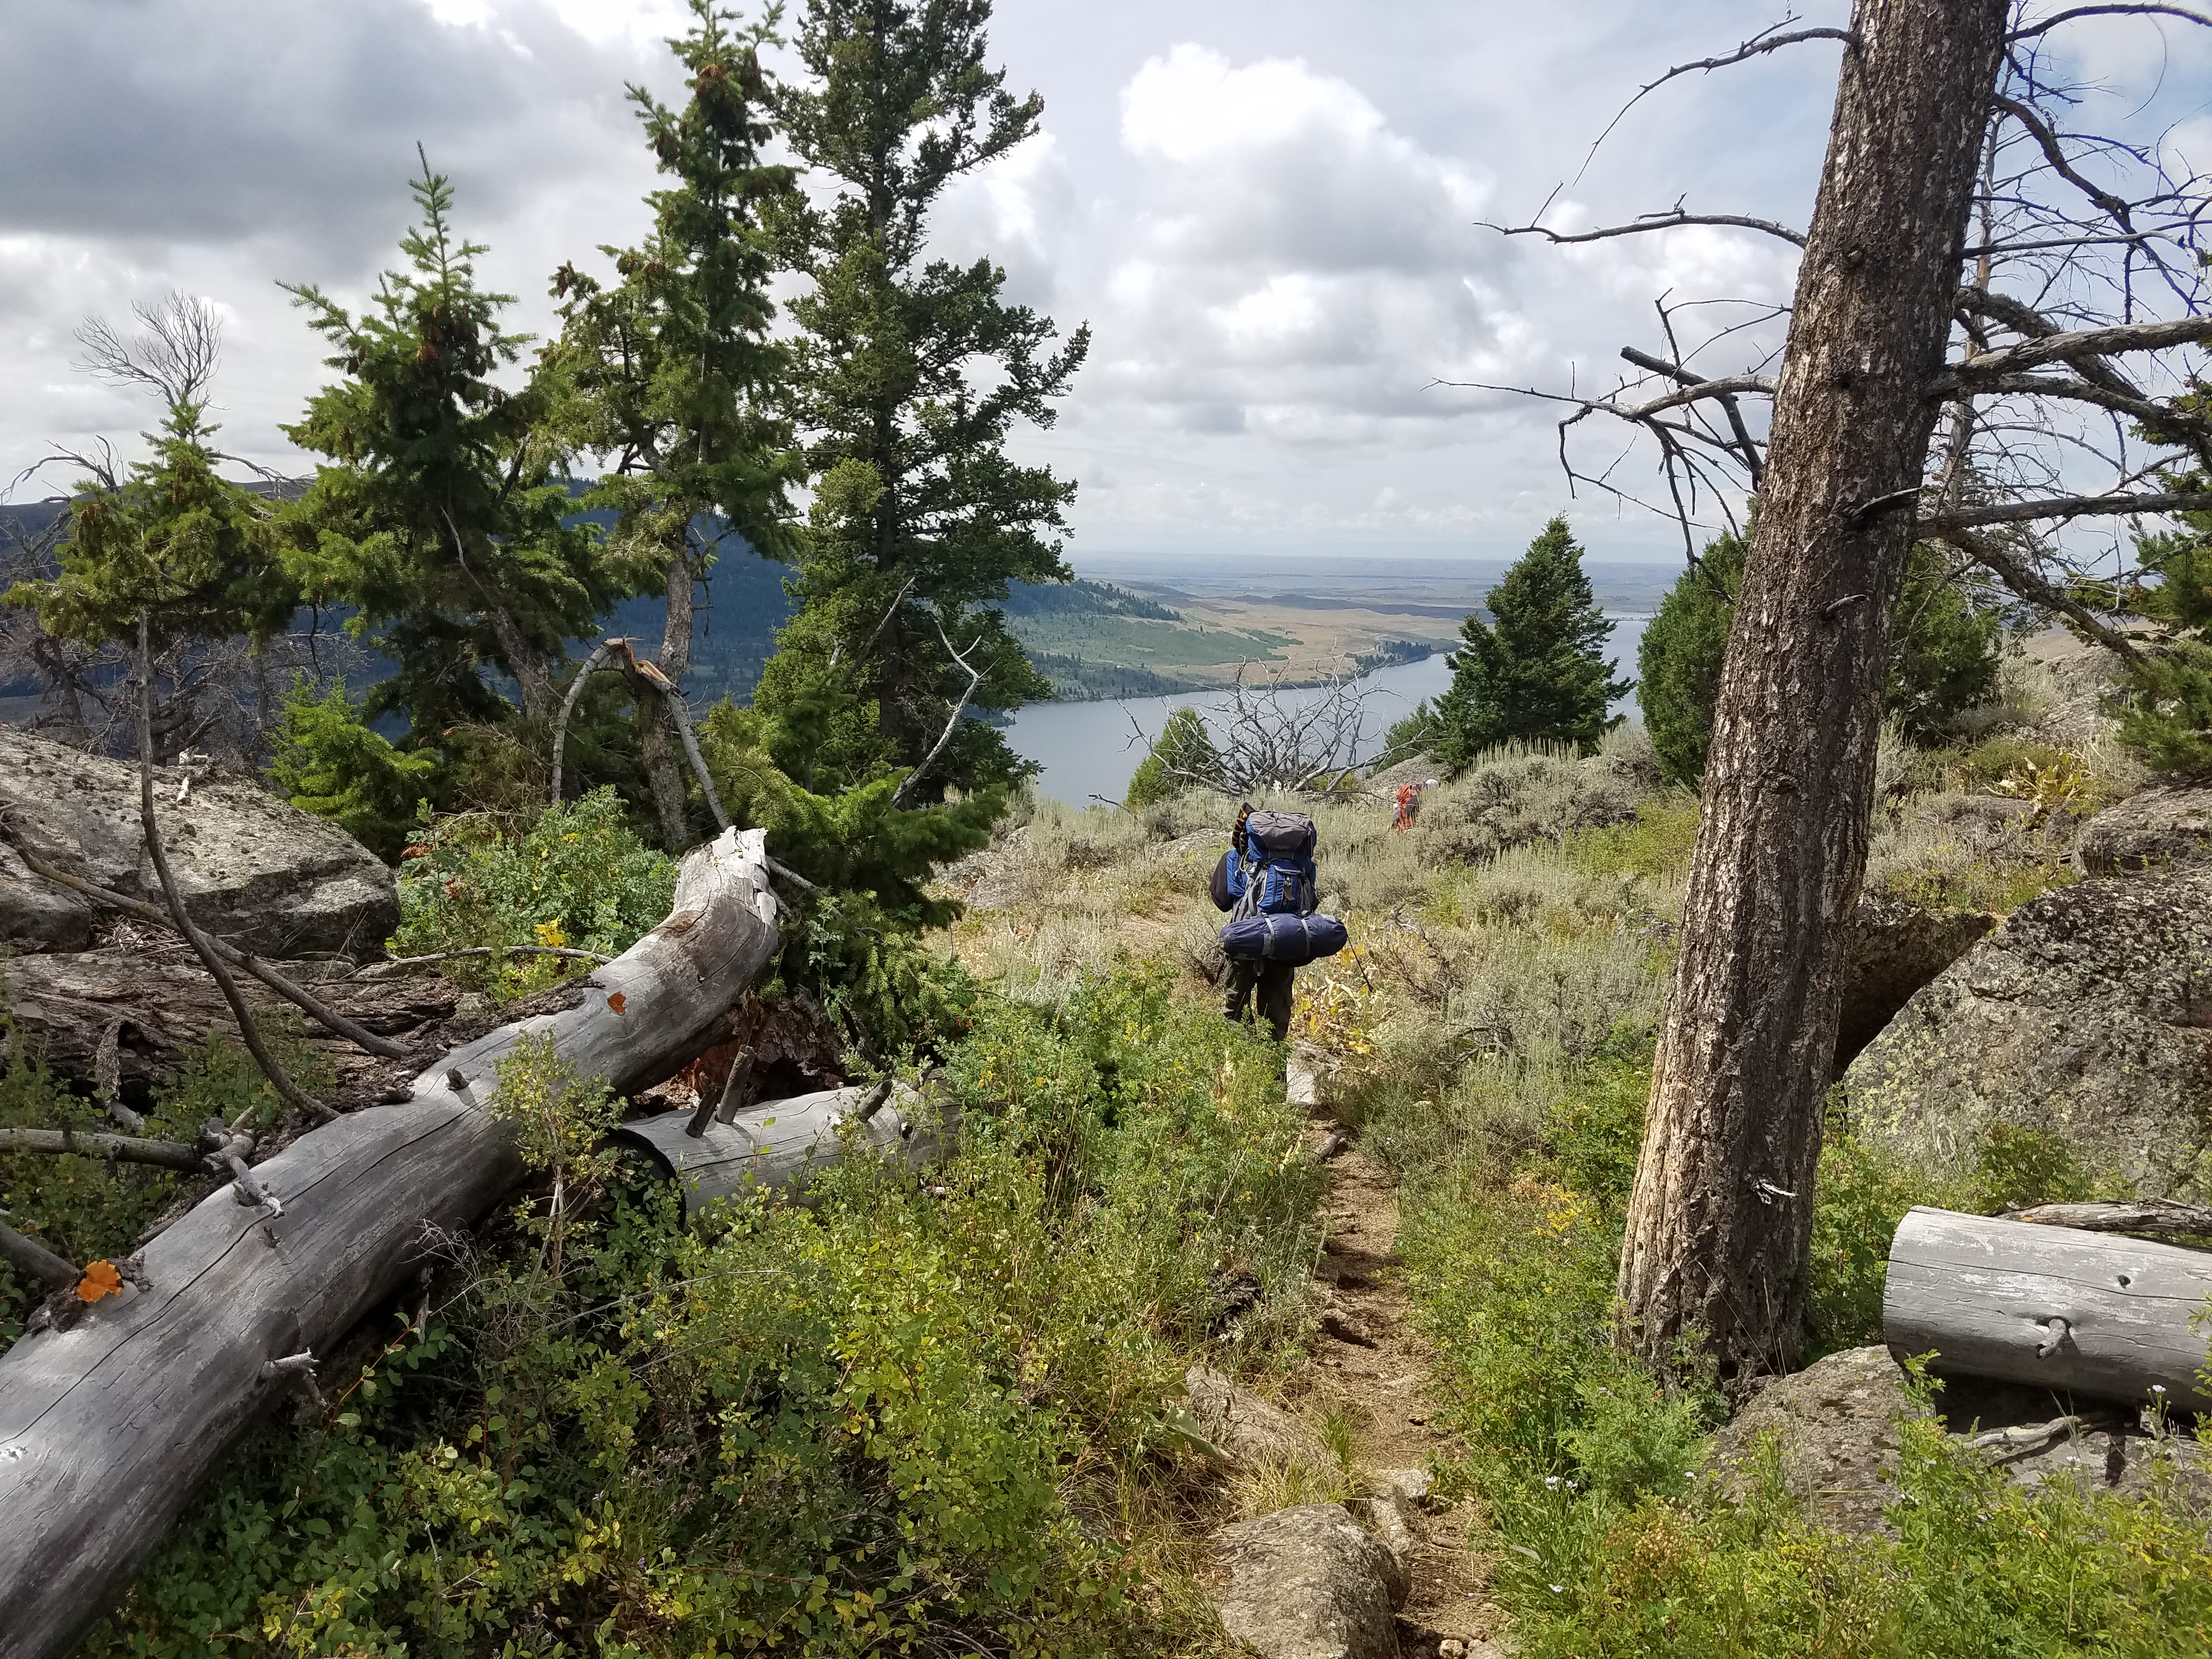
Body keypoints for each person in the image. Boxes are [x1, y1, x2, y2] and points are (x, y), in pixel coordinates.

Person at [1210, 802, 1314, 1042]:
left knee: (1236, 1018)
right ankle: (1275, 1077)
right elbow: (1312, 901)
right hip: (1284, 946)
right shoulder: (1302, 862)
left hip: (1245, 946)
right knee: (1275, 1026)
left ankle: (1245, 1075)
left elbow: (1222, 901)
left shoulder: (1235, 859)